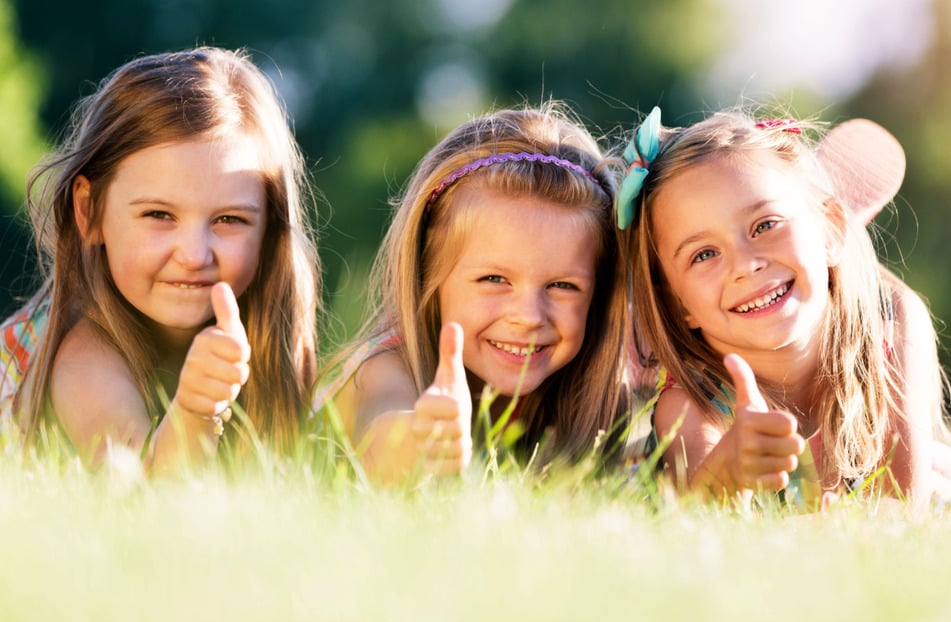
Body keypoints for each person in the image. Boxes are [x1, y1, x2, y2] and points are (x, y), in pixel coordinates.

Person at [0, 46, 321, 472]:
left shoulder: (262, 341)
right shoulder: (81, 355)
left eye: (229, 219)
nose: (193, 255)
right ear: (89, 212)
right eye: (158, 215)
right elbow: (135, 490)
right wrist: (194, 413)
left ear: (270, 228)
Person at [622, 107, 949, 509]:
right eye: (704, 254)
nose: (745, 265)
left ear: (830, 228)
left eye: (765, 225)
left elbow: (900, 507)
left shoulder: (892, 322)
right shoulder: (692, 400)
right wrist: (728, 469)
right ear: (677, 303)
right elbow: (695, 514)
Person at [314, 104, 632, 484]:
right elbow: (381, 433)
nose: (529, 316)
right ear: (427, 271)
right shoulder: (382, 370)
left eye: (562, 286)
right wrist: (421, 438)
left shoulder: (591, 399)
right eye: (494, 279)